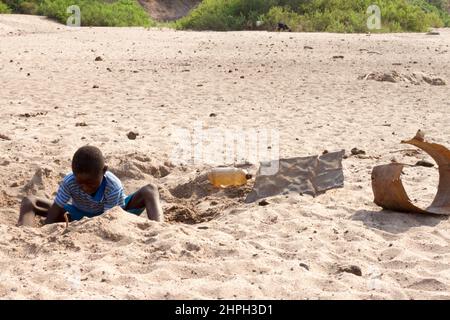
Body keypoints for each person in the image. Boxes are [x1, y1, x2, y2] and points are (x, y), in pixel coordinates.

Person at [18, 146, 163, 226]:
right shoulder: (69, 181)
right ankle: (25, 234)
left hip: (117, 213)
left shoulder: (113, 185)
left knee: (150, 190)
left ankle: (159, 229)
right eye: (80, 183)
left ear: (104, 171)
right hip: (79, 213)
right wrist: (46, 228)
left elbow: (110, 219)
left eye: (90, 183)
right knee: (29, 201)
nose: (85, 188)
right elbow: (56, 208)